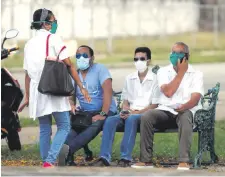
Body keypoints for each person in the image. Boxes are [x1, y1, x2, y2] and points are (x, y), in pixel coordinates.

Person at [18, 8, 90, 168]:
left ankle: (46, 161)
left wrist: (28, 96)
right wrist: (81, 85)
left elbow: (27, 74)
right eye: (53, 20)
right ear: (45, 23)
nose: (55, 23)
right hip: (54, 88)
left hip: (38, 90)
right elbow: (69, 65)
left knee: (44, 128)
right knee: (64, 126)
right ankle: (50, 160)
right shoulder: (54, 39)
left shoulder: (28, 44)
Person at [131, 42, 204, 170]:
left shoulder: (196, 74)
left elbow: (195, 99)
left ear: (187, 56)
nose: (175, 56)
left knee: (185, 116)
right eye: (173, 53)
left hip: (185, 110)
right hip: (165, 110)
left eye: (179, 53)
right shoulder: (163, 72)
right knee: (147, 116)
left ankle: (183, 160)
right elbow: (168, 92)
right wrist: (181, 73)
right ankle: (145, 160)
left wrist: (184, 106)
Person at [91, 47, 160, 167]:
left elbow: (154, 105)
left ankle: (125, 158)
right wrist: (125, 110)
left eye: (142, 58)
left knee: (131, 119)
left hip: (145, 115)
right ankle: (104, 157)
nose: (138, 61)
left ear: (148, 60)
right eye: (136, 59)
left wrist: (135, 113)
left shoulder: (155, 79)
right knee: (110, 120)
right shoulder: (130, 78)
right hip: (130, 113)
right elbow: (126, 101)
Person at [58, 45, 117, 166]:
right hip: (86, 112)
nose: (81, 58)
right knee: (74, 128)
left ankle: (69, 150)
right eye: (78, 56)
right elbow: (71, 94)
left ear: (92, 58)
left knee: (95, 124)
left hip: (105, 110)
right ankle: (63, 152)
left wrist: (103, 113)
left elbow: (108, 91)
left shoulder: (100, 69)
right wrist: (72, 104)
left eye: (85, 55)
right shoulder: (76, 74)